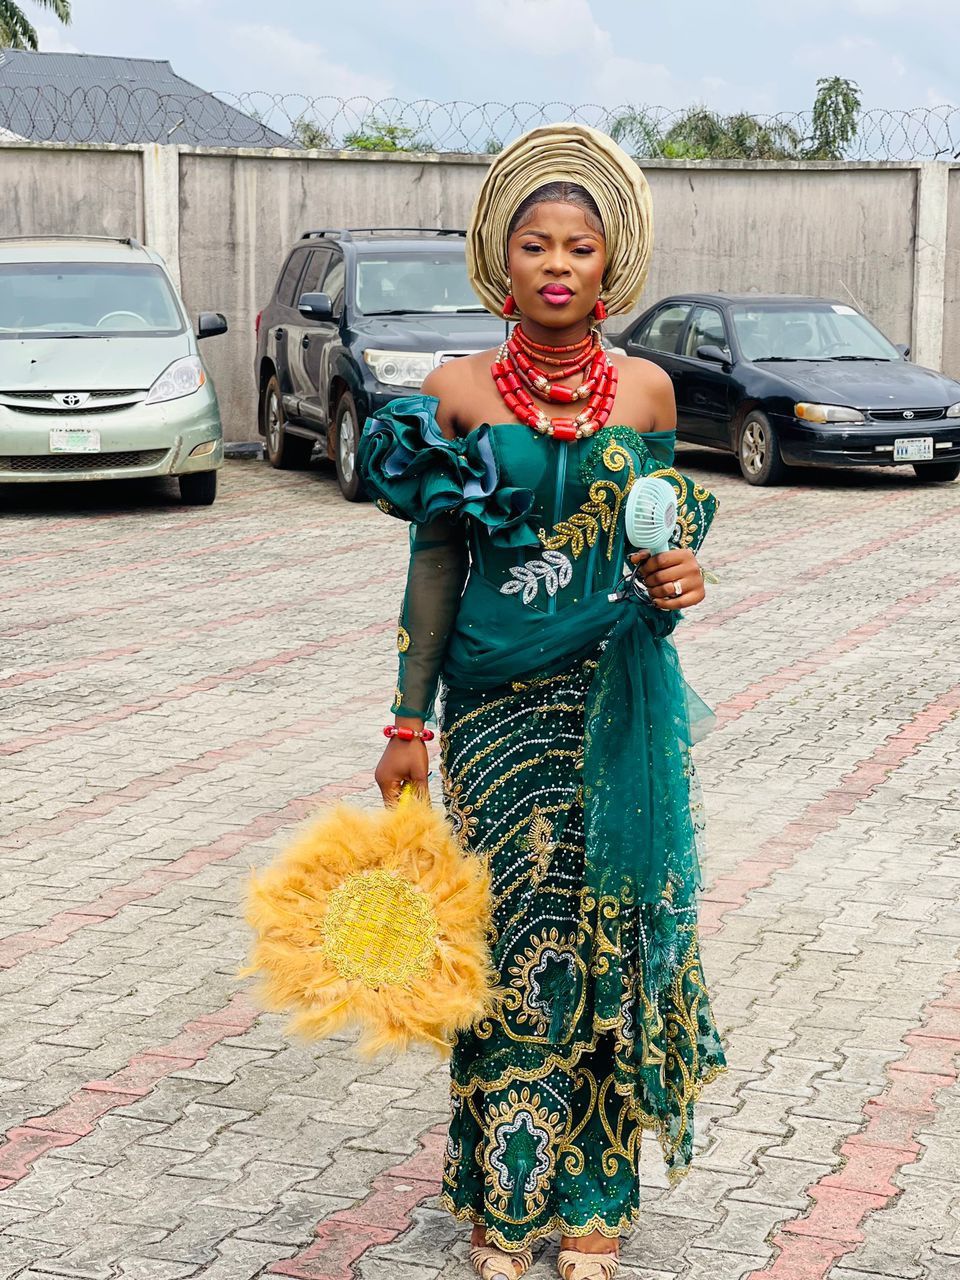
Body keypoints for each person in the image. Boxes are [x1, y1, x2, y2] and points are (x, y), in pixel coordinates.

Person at [358, 123, 726, 1280]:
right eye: (536, 245)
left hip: (613, 698)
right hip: (493, 711)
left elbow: (658, 545)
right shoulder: (456, 394)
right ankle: (506, 1197)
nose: (558, 264)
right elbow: (435, 563)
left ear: (609, 265)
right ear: (500, 262)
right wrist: (408, 722)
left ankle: (595, 1199)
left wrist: (679, 578)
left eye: (579, 246)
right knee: (515, 941)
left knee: (608, 939)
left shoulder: (649, 391)